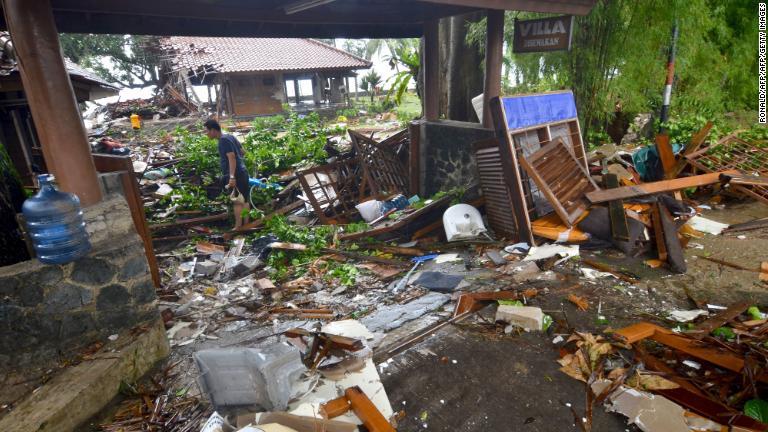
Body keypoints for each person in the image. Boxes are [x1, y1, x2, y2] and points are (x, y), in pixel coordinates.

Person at [204, 119, 250, 229]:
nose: (206, 134)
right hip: (242, 172)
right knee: (244, 200)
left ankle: (238, 227)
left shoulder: (223, 141)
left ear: (214, 130)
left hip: (236, 175)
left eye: (207, 131)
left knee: (237, 201)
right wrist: (241, 164)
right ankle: (247, 225)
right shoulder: (230, 136)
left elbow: (232, 157)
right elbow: (242, 152)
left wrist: (232, 177)